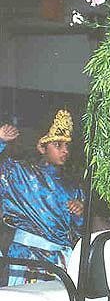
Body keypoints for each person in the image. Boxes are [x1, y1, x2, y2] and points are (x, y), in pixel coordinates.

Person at [0, 110, 84, 286]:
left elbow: (77, 231)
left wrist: (79, 214)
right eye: (58, 145)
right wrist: (0, 141)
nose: (65, 151)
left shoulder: (72, 186)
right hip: (28, 256)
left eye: (67, 146)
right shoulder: (20, 174)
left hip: (59, 259)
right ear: (42, 147)